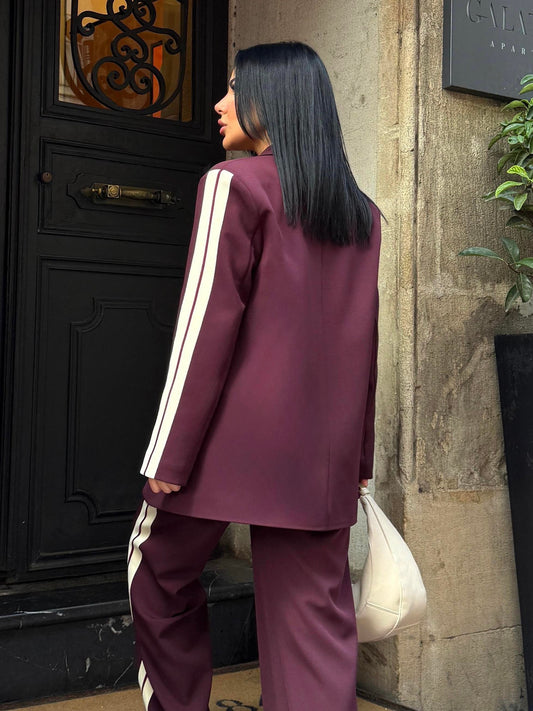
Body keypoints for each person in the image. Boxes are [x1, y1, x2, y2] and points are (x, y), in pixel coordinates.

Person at [128, 41, 381, 711]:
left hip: (222, 448)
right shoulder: (361, 212)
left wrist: (167, 453)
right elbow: (362, 340)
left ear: (275, 99)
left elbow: (203, 328)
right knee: (312, 630)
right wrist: (358, 457)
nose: (219, 103)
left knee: (157, 572)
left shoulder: (231, 184)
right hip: (319, 460)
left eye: (234, 87)